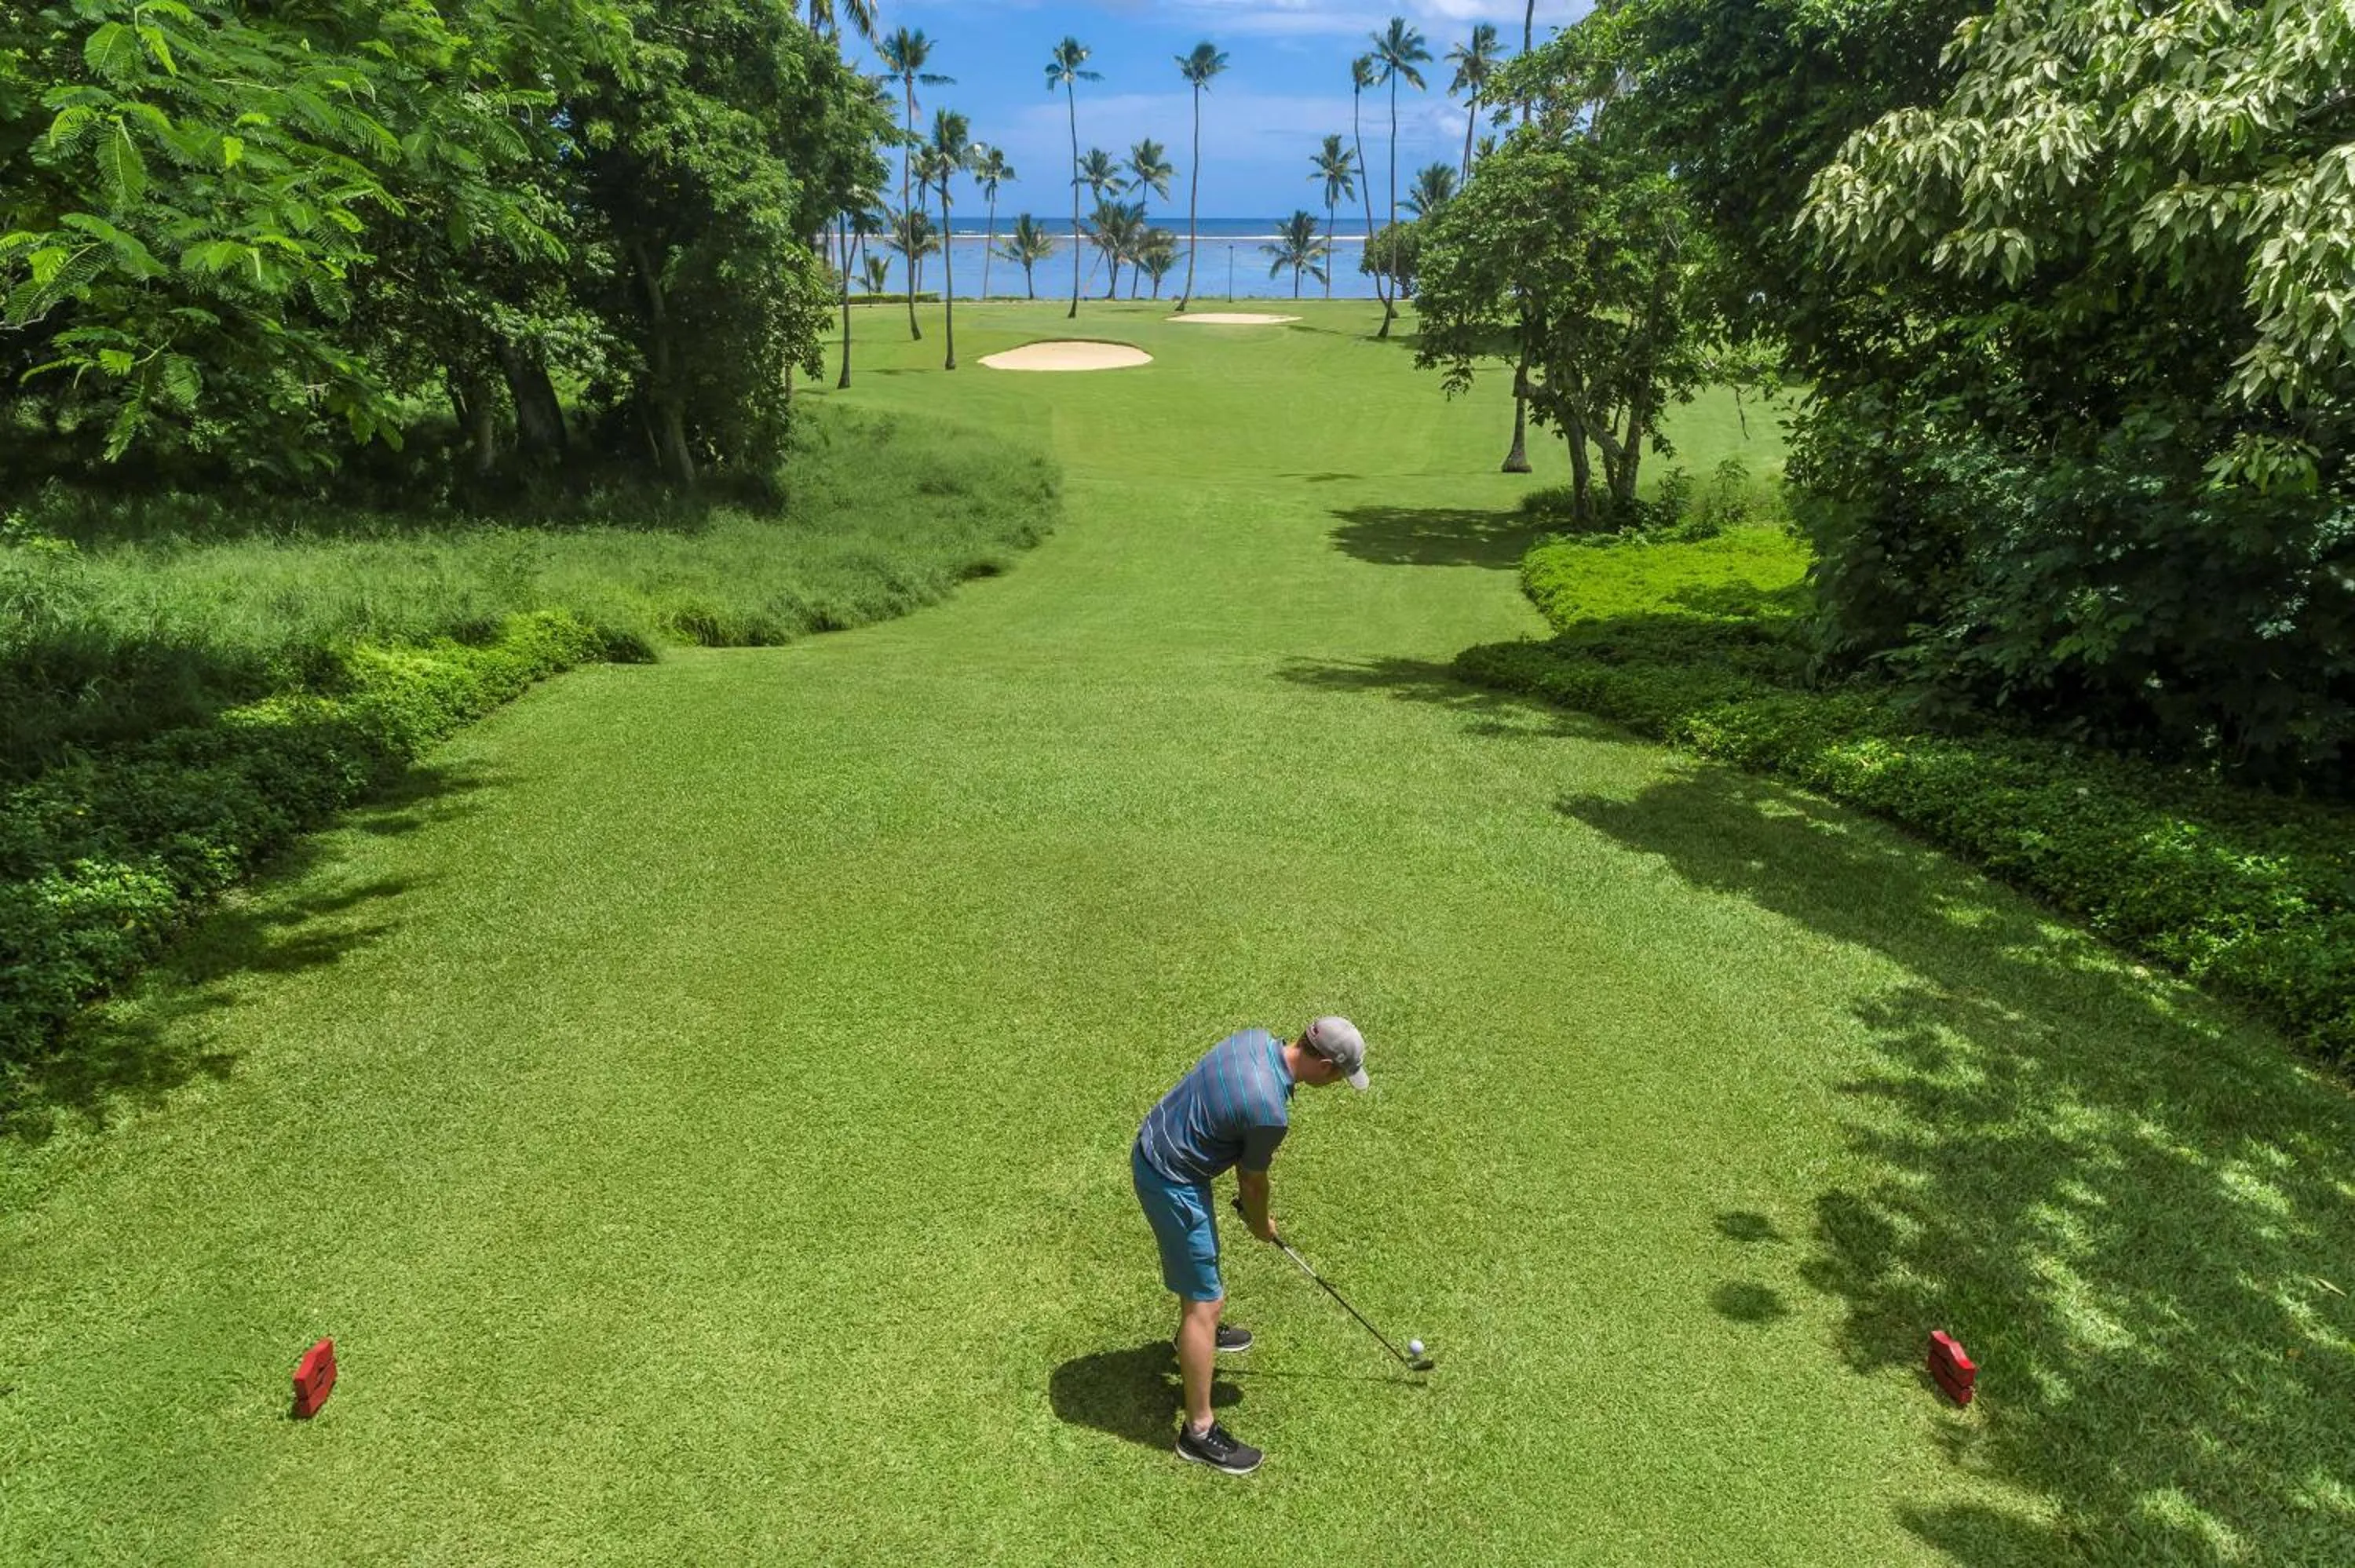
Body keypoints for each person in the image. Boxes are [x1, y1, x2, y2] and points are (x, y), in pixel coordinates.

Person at [1130, 1016, 1369, 1474]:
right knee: (1205, 1301)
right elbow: (1253, 1183)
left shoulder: (1255, 1039)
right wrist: (1261, 1225)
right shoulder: (1269, 1111)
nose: (1337, 1084)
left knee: (1203, 1279)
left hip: (1159, 1139)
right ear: (1325, 1066)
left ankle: (1197, 1338)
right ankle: (1198, 1433)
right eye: (1341, 1076)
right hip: (1170, 1178)